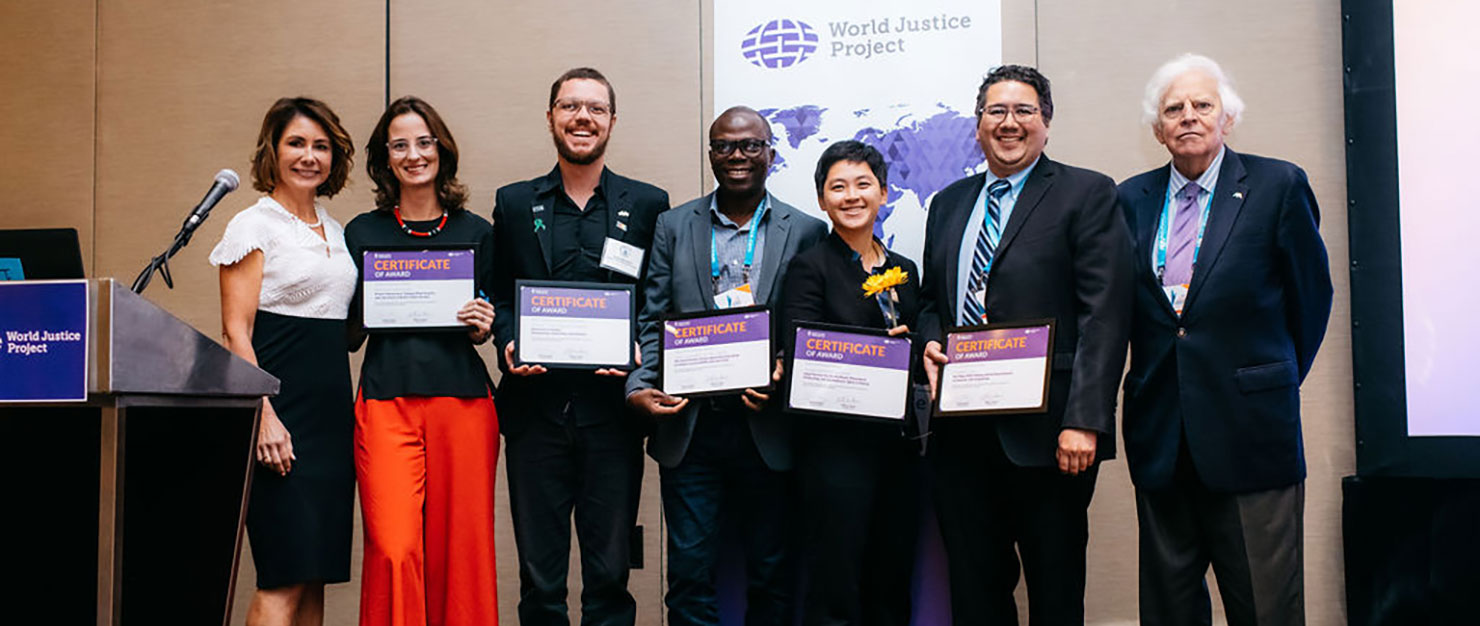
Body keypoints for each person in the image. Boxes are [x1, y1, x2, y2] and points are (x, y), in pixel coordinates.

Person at [1118, 54, 1332, 626]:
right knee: (1168, 611)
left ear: (1227, 118)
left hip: (1251, 434)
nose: (1188, 116)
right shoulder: (1128, 200)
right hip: (1162, 434)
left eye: (1202, 105)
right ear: (1157, 129)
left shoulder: (1277, 185)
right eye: (1173, 109)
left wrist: (1267, 380)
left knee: (1265, 608)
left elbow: (1311, 300)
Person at [917, 65, 1134, 625]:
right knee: (974, 590)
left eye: (1023, 111)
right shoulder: (947, 203)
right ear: (978, 123)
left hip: (1050, 436)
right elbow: (930, 303)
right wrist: (930, 343)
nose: (1009, 123)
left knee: (1055, 590)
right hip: (961, 435)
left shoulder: (1086, 193)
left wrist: (1085, 419)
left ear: (1047, 122)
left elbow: (1104, 315)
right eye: (996, 111)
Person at [626, 106, 827, 626]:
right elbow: (653, 316)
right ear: (711, 154)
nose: (737, 156)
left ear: (771, 154)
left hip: (769, 426)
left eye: (750, 145)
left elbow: (811, 326)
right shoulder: (673, 225)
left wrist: (786, 371)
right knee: (690, 575)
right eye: (724, 146)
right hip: (690, 426)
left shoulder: (806, 230)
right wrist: (639, 384)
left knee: (773, 573)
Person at [490, 67, 669, 626]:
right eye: (570, 106)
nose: (582, 118)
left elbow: (657, 297)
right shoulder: (516, 203)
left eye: (595, 108)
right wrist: (508, 338)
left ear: (612, 121)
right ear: (550, 118)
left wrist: (643, 347)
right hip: (534, 414)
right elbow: (496, 295)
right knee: (539, 579)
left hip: (612, 416)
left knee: (610, 575)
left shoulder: (646, 204)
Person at [344, 96, 500, 626]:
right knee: (392, 547)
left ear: (442, 150)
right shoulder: (361, 233)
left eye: (424, 142)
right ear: (385, 158)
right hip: (386, 402)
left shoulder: (478, 231)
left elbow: (494, 324)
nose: (414, 154)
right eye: (400, 145)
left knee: (463, 551)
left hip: (465, 403)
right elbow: (349, 330)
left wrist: (486, 323)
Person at [210, 96, 357, 626]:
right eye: (296, 143)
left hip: (331, 422)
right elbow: (235, 331)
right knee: (283, 574)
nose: (309, 156)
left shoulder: (338, 232)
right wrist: (265, 415)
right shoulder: (252, 226)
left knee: (314, 573)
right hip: (279, 416)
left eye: (321, 146)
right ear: (272, 151)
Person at [779, 140, 923, 626]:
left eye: (863, 185)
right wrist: (878, 350)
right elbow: (803, 352)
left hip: (899, 451)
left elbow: (922, 347)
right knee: (835, 579)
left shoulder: (905, 270)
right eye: (837, 187)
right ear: (821, 200)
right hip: (834, 451)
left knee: (893, 575)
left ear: (884, 193)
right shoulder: (809, 267)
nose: (852, 196)